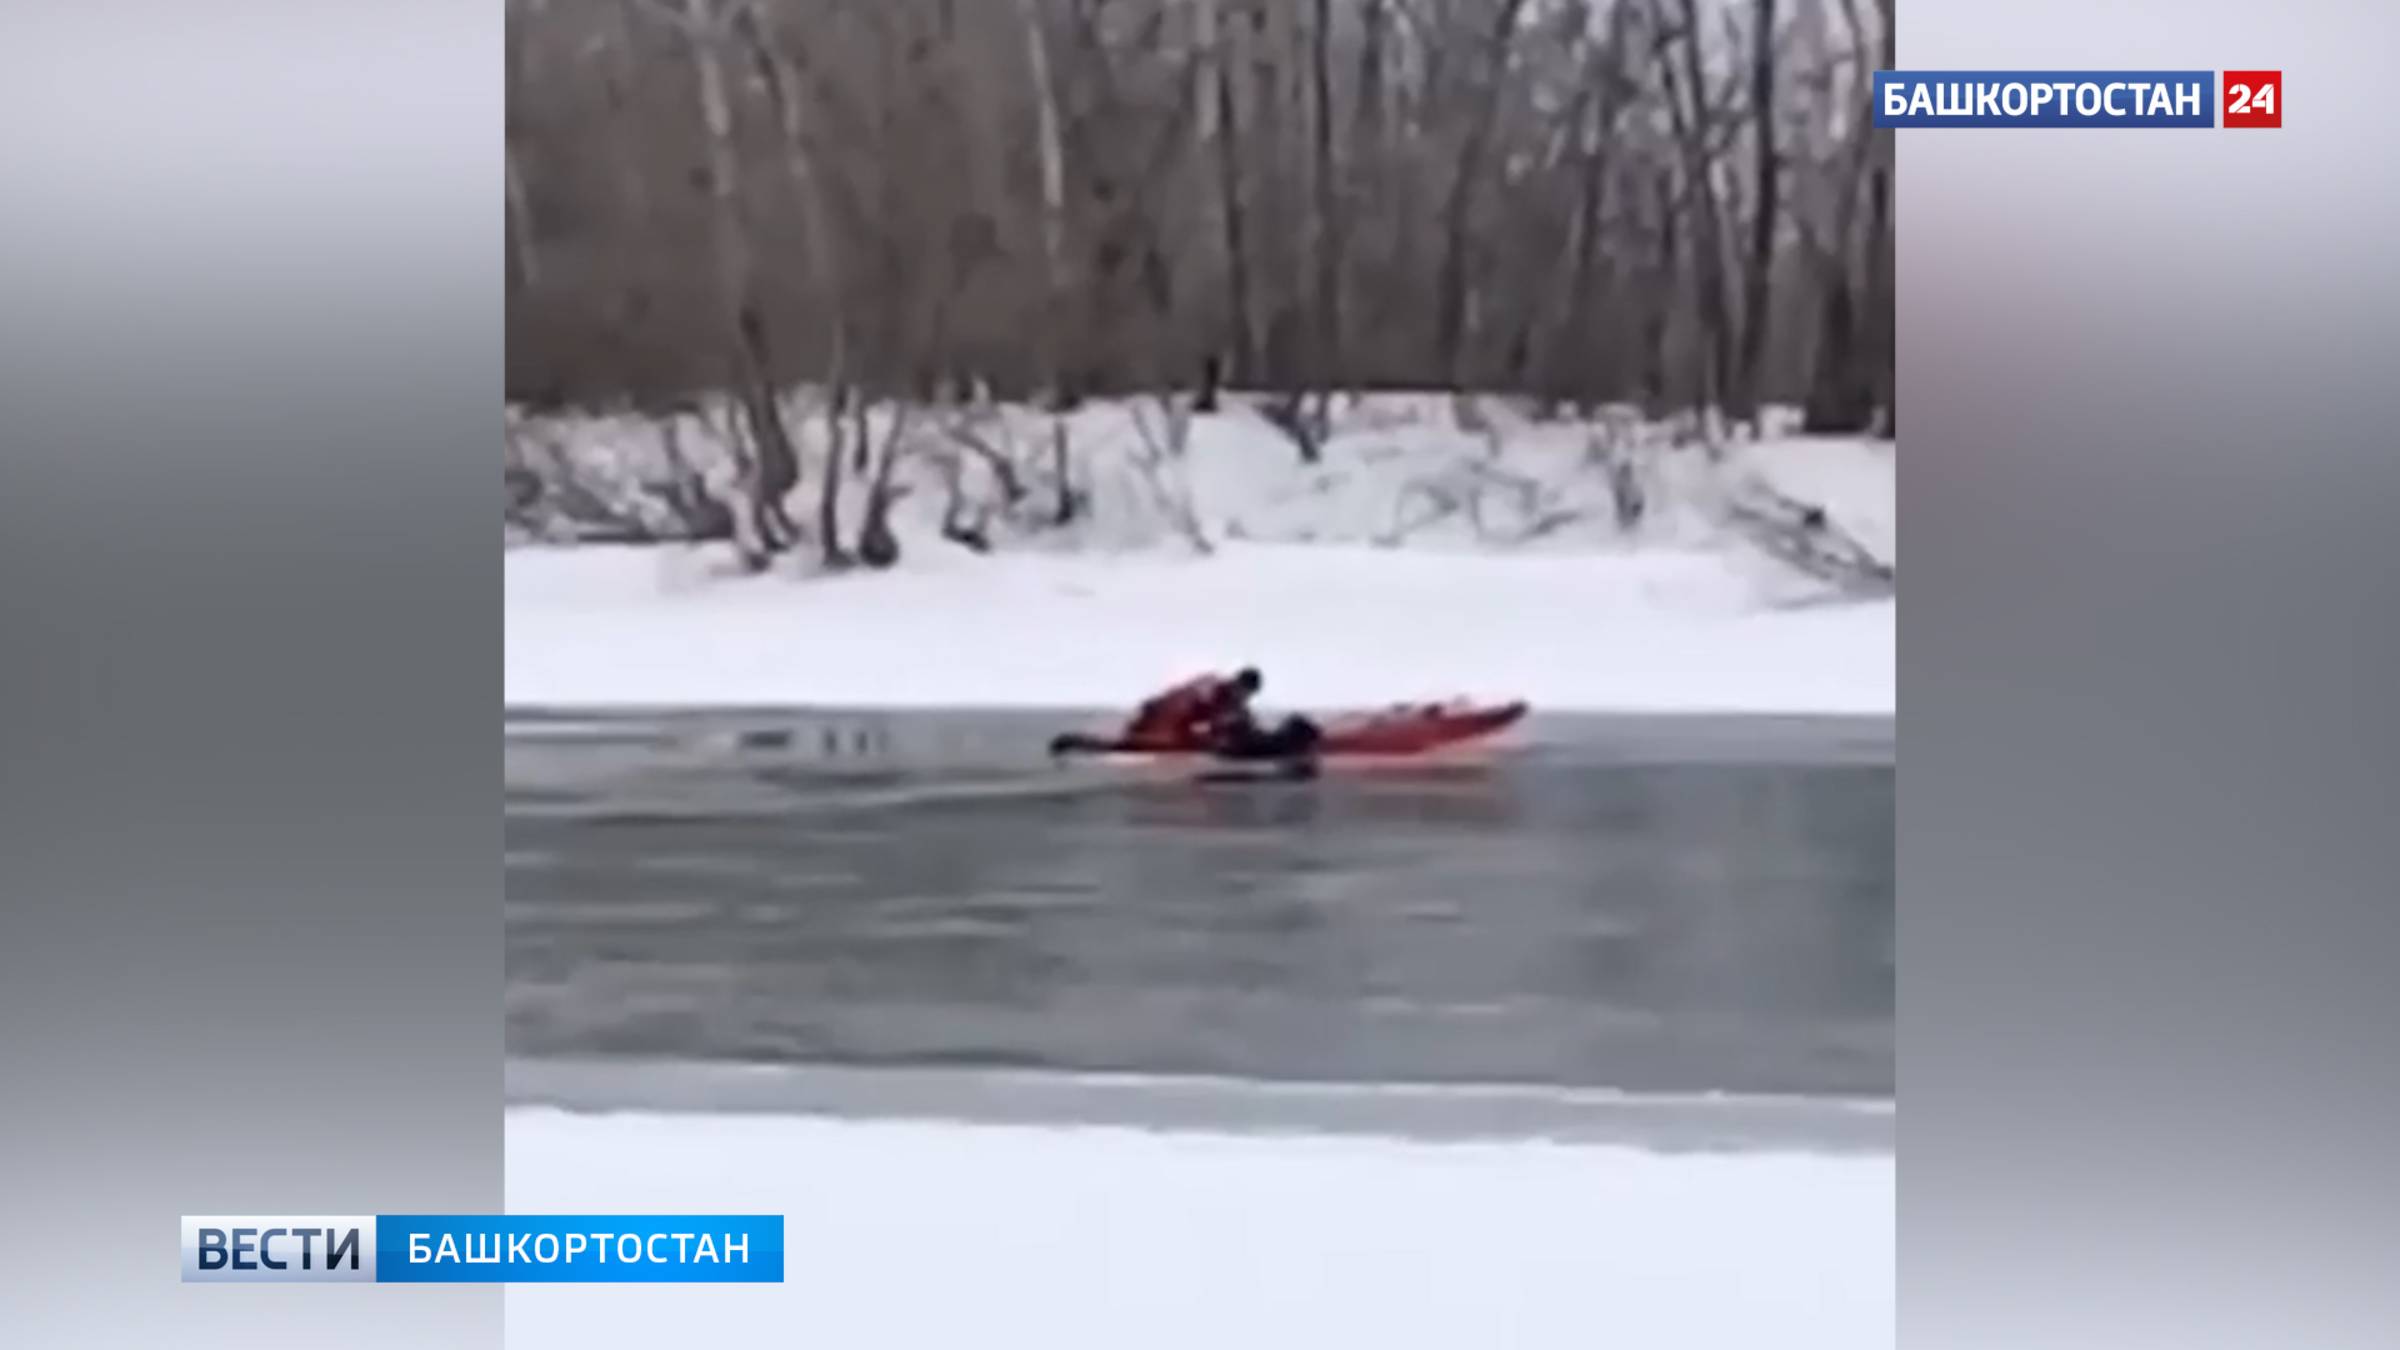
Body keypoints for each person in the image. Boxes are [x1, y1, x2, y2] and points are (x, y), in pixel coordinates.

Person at [1122, 667, 1264, 749]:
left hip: (1170, 722)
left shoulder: (1233, 701)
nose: (1246, 698)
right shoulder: (1210, 690)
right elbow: (1179, 708)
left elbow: (1243, 720)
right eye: (1247, 693)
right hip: (1158, 719)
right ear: (1238, 685)